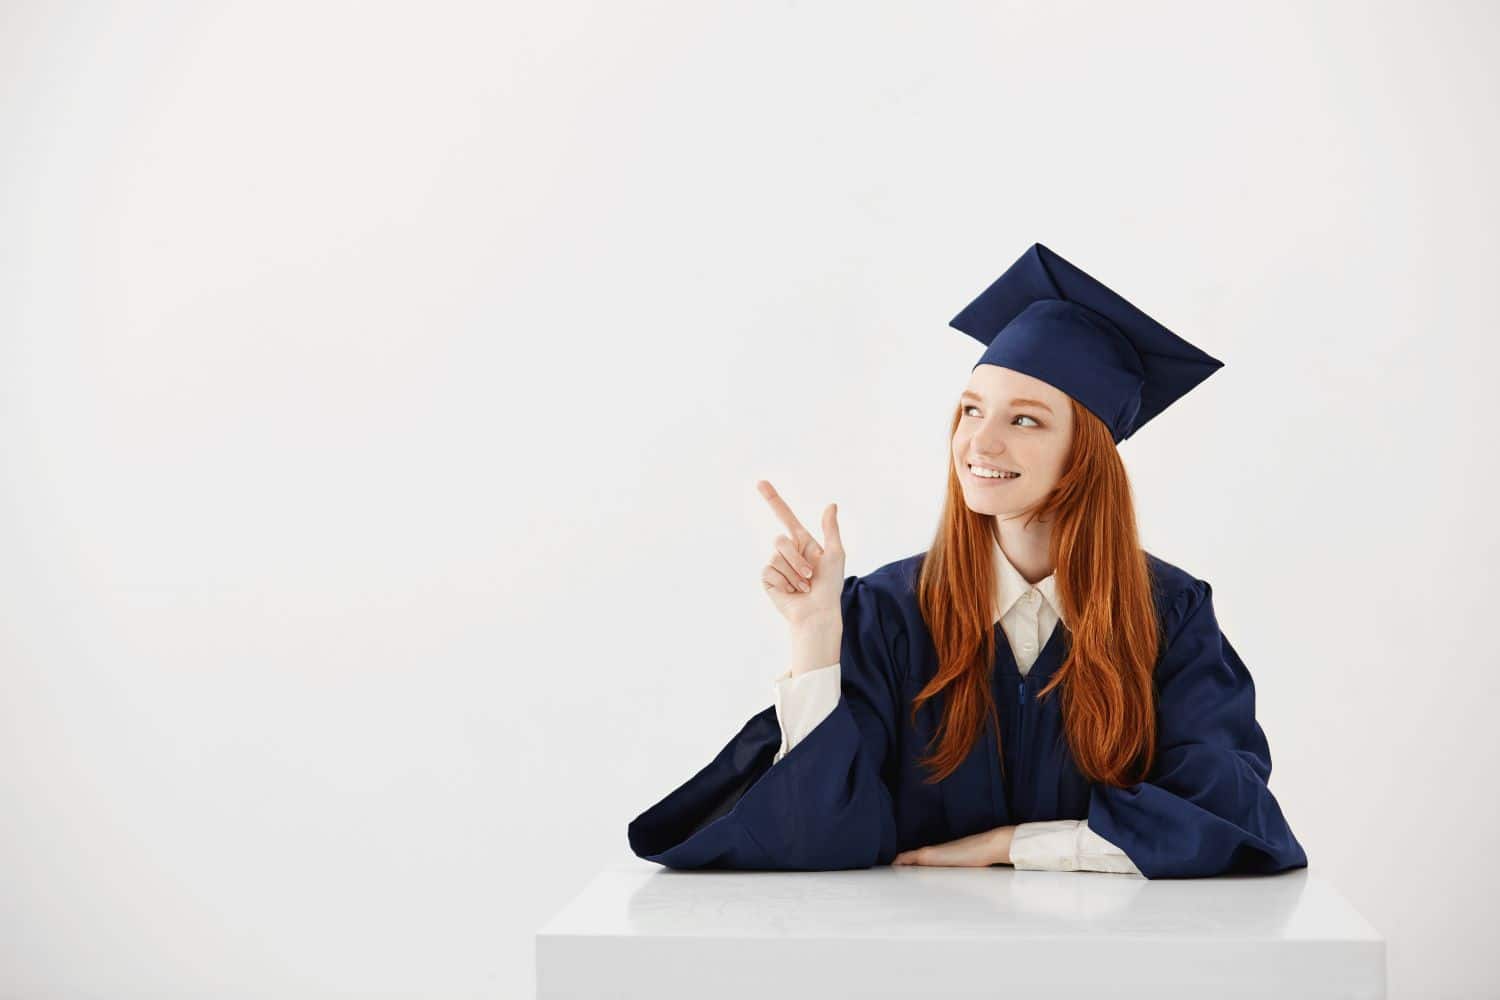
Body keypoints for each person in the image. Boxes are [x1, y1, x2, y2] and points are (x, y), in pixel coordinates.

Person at [626, 243, 1309, 878]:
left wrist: (1010, 846)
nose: (979, 442)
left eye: (1025, 419)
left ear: (1086, 454)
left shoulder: (1169, 616)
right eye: (971, 409)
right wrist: (814, 636)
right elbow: (814, 834)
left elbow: (1226, 817)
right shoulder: (887, 613)